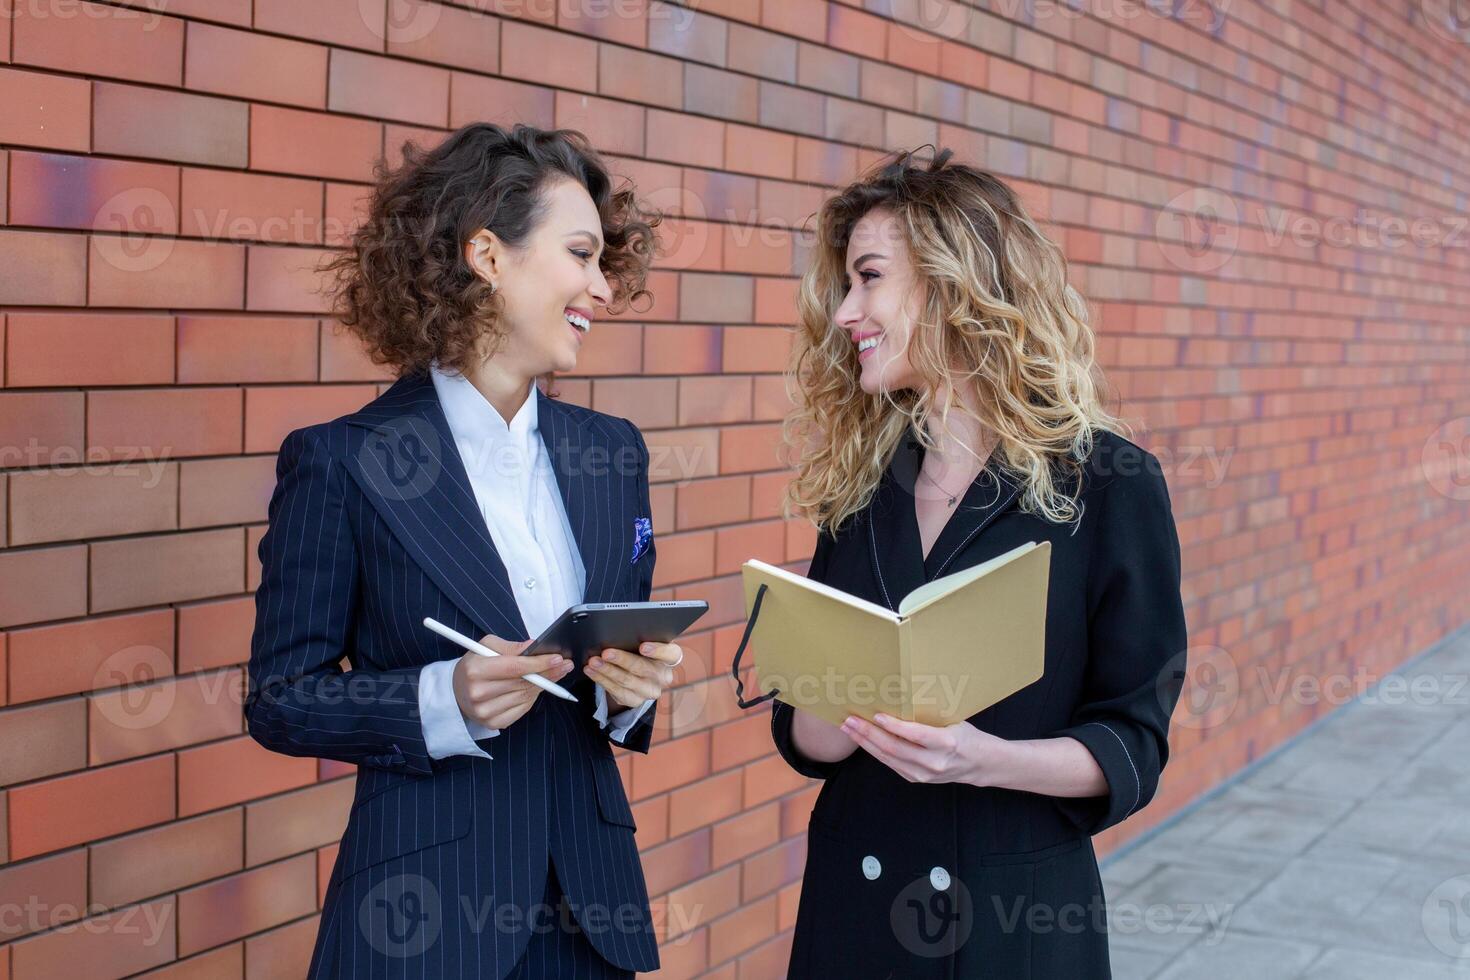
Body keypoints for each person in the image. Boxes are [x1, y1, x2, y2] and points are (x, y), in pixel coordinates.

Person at [246, 122, 681, 979]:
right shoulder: (342, 460)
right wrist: (444, 699)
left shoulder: (613, 451)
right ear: (487, 254)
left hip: (590, 920)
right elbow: (279, 700)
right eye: (582, 254)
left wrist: (631, 693)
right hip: (420, 920)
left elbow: (612, 665)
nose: (602, 285)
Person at [769, 148, 1188, 978]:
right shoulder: (862, 481)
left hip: (1015, 922)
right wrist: (828, 702)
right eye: (847, 284)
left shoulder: (1107, 481)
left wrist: (983, 759)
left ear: (953, 283)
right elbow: (806, 735)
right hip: (855, 912)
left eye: (870, 278)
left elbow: (1134, 738)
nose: (848, 311)